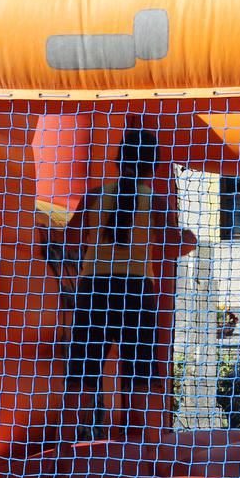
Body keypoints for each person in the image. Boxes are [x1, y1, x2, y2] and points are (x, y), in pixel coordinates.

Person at [51, 122, 185, 442]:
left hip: (95, 288)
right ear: (153, 167)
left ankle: (64, 448)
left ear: (118, 160)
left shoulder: (96, 195)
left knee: (82, 370)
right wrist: (186, 238)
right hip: (135, 291)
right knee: (140, 372)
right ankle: (145, 448)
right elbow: (173, 244)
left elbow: (70, 239)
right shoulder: (155, 201)